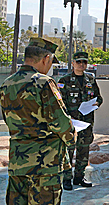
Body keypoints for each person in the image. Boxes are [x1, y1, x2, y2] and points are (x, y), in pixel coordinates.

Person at [0, 37, 75, 204]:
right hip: (44, 166)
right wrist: (72, 137)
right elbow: (61, 123)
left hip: (17, 163)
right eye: (50, 62)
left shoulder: (7, 83)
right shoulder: (44, 82)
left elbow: (9, 119)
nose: (49, 68)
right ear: (45, 58)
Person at [58, 51, 103, 190]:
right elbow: (59, 102)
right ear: (72, 63)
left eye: (84, 62)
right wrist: (67, 117)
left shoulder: (90, 79)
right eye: (78, 62)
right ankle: (66, 178)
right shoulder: (64, 81)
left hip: (86, 122)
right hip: (71, 123)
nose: (82, 64)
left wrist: (97, 103)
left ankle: (79, 177)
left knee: (83, 151)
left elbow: (99, 97)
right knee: (68, 151)